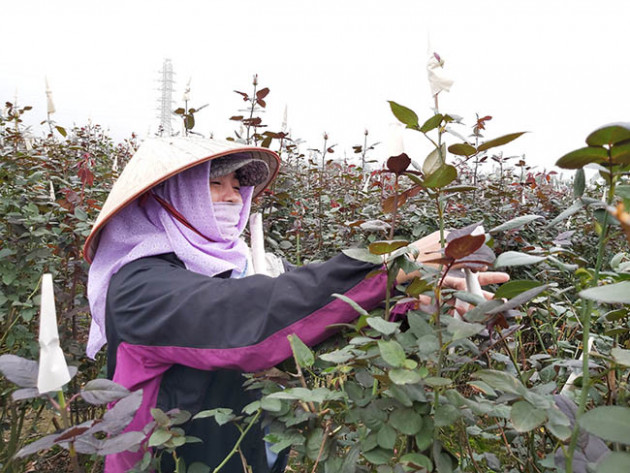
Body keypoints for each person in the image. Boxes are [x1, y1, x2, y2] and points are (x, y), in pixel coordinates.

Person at [84, 137, 508, 473]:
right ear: (169, 195)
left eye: (238, 186)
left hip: (244, 447)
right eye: (214, 184)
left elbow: (319, 310)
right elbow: (250, 315)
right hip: (171, 459)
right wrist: (387, 267)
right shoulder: (140, 286)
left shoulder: (244, 265)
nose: (232, 197)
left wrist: (422, 306)